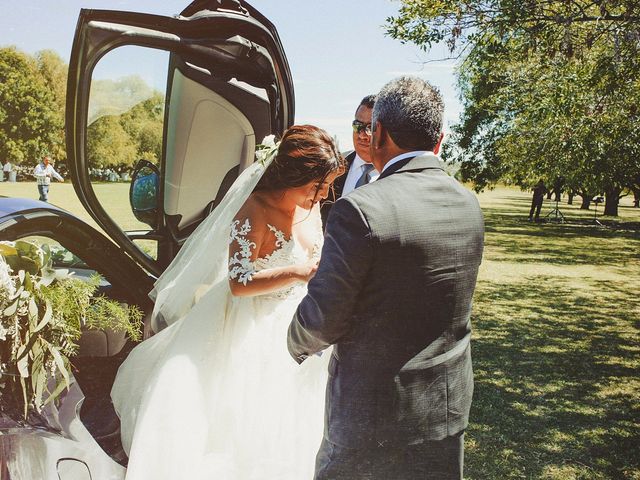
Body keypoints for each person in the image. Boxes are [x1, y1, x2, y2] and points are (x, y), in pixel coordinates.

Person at [111, 125, 344, 480]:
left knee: (298, 419)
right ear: (294, 176)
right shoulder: (255, 210)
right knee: (243, 423)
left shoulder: (310, 209)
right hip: (250, 325)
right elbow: (239, 282)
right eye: (318, 185)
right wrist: (298, 273)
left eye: (327, 186)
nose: (324, 195)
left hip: (300, 322)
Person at [288, 76, 485, 480]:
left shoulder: (360, 208)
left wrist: (294, 341)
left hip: (369, 414)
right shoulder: (469, 204)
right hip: (445, 408)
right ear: (440, 140)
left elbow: (324, 318)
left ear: (378, 134)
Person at [320, 94, 378, 226]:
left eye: (370, 127)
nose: (362, 135)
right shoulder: (331, 166)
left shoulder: (396, 174)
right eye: (358, 126)